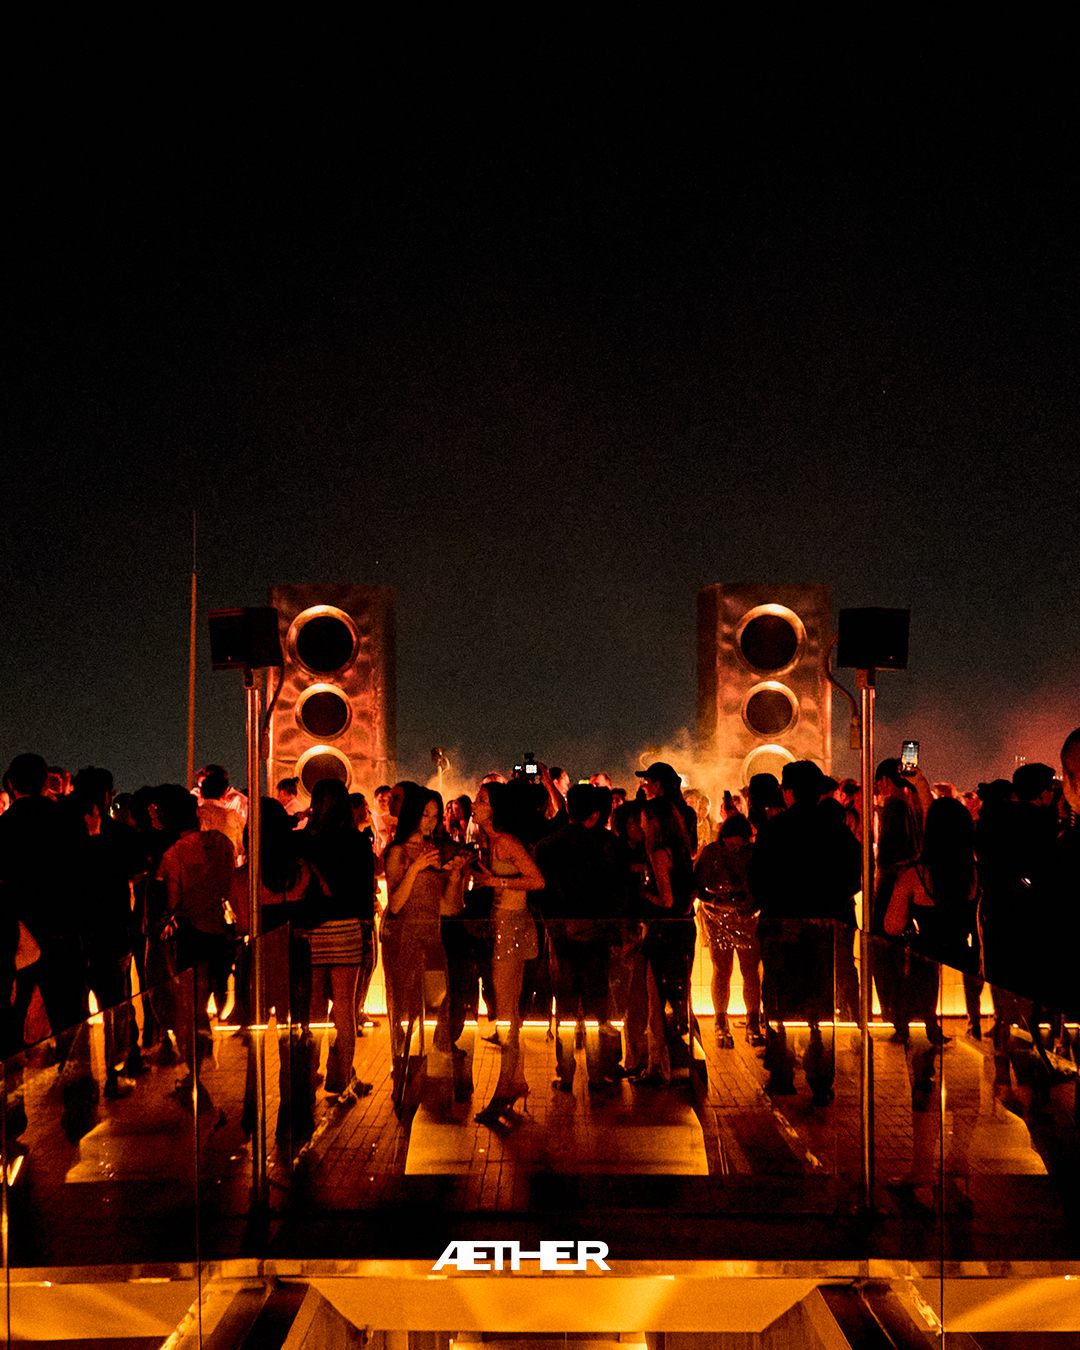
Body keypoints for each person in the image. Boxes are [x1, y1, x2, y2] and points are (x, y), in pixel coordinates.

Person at [748, 760, 861, 1105]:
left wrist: (775, 904)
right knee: (820, 1007)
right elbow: (854, 877)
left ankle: (782, 1074)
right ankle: (821, 1078)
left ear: (789, 791)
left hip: (781, 927)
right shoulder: (836, 830)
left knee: (779, 1004)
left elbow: (757, 880)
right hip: (825, 928)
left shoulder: (774, 830)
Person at [231, 799, 324, 1145]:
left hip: (257, 961)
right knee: (295, 1039)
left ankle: (251, 1112)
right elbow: (321, 903)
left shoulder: (244, 877)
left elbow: (243, 924)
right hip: (295, 957)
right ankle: (294, 1115)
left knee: (255, 1041)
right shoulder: (302, 870)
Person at [536, 784, 628, 1091]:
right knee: (596, 1008)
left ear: (567, 809)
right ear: (595, 815)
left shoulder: (547, 846)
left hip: (559, 935)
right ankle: (597, 1073)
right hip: (595, 936)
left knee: (564, 1008)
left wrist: (553, 925)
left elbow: (541, 895)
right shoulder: (605, 846)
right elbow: (614, 893)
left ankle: (565, 1073)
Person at [382, 785, 469, 1091]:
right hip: (404, 938)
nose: (431, 821)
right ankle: (404, 1076)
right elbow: (395, 904)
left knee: (437, 1006)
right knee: (406, 1011)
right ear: (413, 815)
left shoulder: (437, 850)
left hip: (432, 937)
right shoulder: (399, 851)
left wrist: (455, 875)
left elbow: (449, 908)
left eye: (435, 815)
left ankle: (429, 1076)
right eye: (425, 814)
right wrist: (416, 867)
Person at [469, 782, 545, 1127]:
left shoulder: (505, 842)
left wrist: (495, 883)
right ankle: (515, 1079)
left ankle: (505, 1088)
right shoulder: (491, 842)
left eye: (482, 800)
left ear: (495, 809)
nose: (474, 805)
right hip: (505, 925)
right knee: (507, 1011)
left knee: (506, 1013)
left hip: (512, 927)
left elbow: (537, 880)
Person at [300, 779, 375, 1098]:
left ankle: (309, 1073)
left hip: (312, 929)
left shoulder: (305, 841)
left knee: (314, 1008)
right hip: (347, 928)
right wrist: (364, 925)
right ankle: (342, 1076)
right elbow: (365, 889)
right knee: (344, 1007)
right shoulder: (357, 841)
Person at [693, 813, 764, 1048]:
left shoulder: (752, 853)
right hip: (717, 916)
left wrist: (752, 903)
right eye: (733, 844)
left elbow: (762, 884)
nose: (737, 848)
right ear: (724, 837)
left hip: (747, 915)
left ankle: (753, 1023)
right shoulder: (712, 853)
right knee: (721, 970)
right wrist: (716, 901)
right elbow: (698, 887)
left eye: (741, 844)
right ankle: (721, 1023)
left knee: (750, 971)